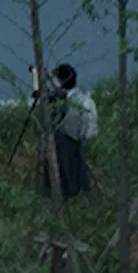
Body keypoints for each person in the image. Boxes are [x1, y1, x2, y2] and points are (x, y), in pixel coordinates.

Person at [47, 62, 95, 200]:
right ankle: (77, 191)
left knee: (68, 168)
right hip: (76, 139)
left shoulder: (67, 99)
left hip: (67, 139)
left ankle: (68, 192)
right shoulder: (82, 98)